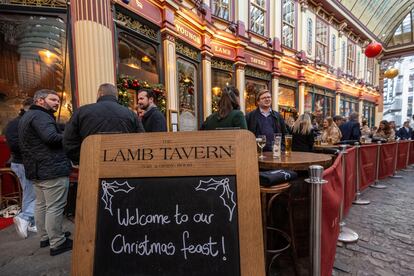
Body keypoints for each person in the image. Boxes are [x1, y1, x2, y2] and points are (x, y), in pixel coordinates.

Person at [18, 89, 72, 256]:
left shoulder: (28, 116)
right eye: (53, 99)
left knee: (42, 205)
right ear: (40, 101)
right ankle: (57, 242)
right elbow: (51, 138)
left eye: (58, 100)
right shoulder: (40, 116)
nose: (57, 103)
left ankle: (46, 237)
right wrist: (70, 136)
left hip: (37, 170)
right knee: (54, 207)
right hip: (51, 169)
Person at [63, 83, 144, 164]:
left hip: (91, 164)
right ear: (116, 96)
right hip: (122, 165)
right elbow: (141, 140)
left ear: (99, 94)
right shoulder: (131, 114)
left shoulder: (81, 112)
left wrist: (83, 159)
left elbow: (69, 141)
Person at [4, 98, 37, 239]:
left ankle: (30, 222)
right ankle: (25, 217)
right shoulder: (21, 123)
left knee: (30, 193)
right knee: (37, 193)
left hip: (20, 162)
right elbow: (16, 145)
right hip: (23, 162)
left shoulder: (15, 123)